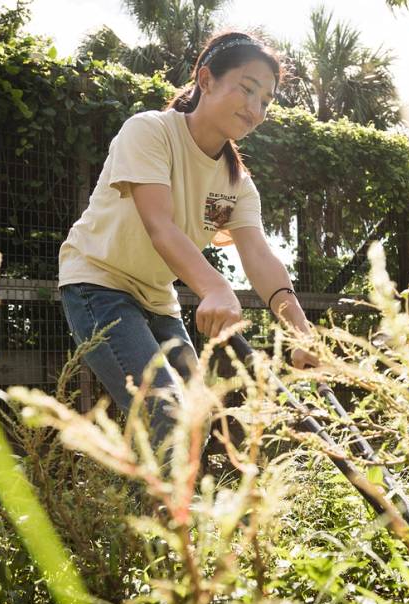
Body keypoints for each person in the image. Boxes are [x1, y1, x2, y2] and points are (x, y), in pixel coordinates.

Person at [58, 31, 316, 446]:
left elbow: (260, 257)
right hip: (98, 284)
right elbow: (159, 225)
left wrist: (302, 333)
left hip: (158, 298)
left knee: (198, 422)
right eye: (247, 90)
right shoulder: (150, 131)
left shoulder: (237, 183)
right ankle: (158, 510)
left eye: (266, 101)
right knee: (168, 415)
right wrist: (214, 287)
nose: (255, 109)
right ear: (207, 80)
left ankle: (186, 509)